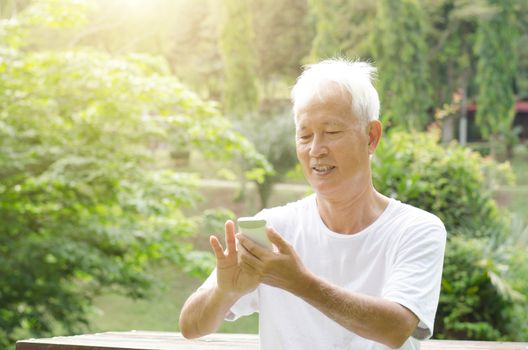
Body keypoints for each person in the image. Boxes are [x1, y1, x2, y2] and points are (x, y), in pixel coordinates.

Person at [179, 58, 446, 350]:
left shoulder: (416, 230)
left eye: (331, 132)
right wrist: (224, 292)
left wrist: (298, 282)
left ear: (371, 137)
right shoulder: (274, 229)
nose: (316, 149)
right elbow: (191, 326)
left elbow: (395, 328)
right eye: (305, 135)